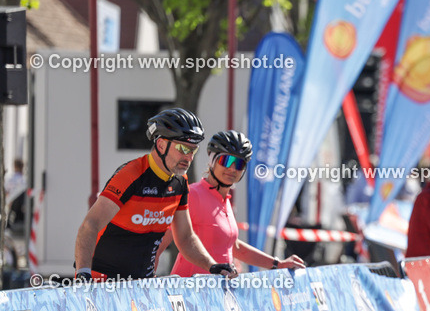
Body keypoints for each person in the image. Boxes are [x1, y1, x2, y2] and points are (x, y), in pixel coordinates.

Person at [74, 108, 236, 281]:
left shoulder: (180, 182)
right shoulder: (131, 175)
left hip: (142, 283)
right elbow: (90, 225)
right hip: (103, 282)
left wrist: (212, 266)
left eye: (193, 150)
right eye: (182, 148)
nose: (189, 157)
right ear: (160, 145)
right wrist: (84, 272)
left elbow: (186, 238)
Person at [168, 131, 306, 276]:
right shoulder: (193, 194)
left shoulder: (224, 200)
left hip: (217, 294)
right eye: (226, 161)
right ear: (212, 161)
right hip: (190, 293)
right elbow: (162, 239)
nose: (232, 168)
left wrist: (277, 264)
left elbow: (234, 247)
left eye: (239, 164)